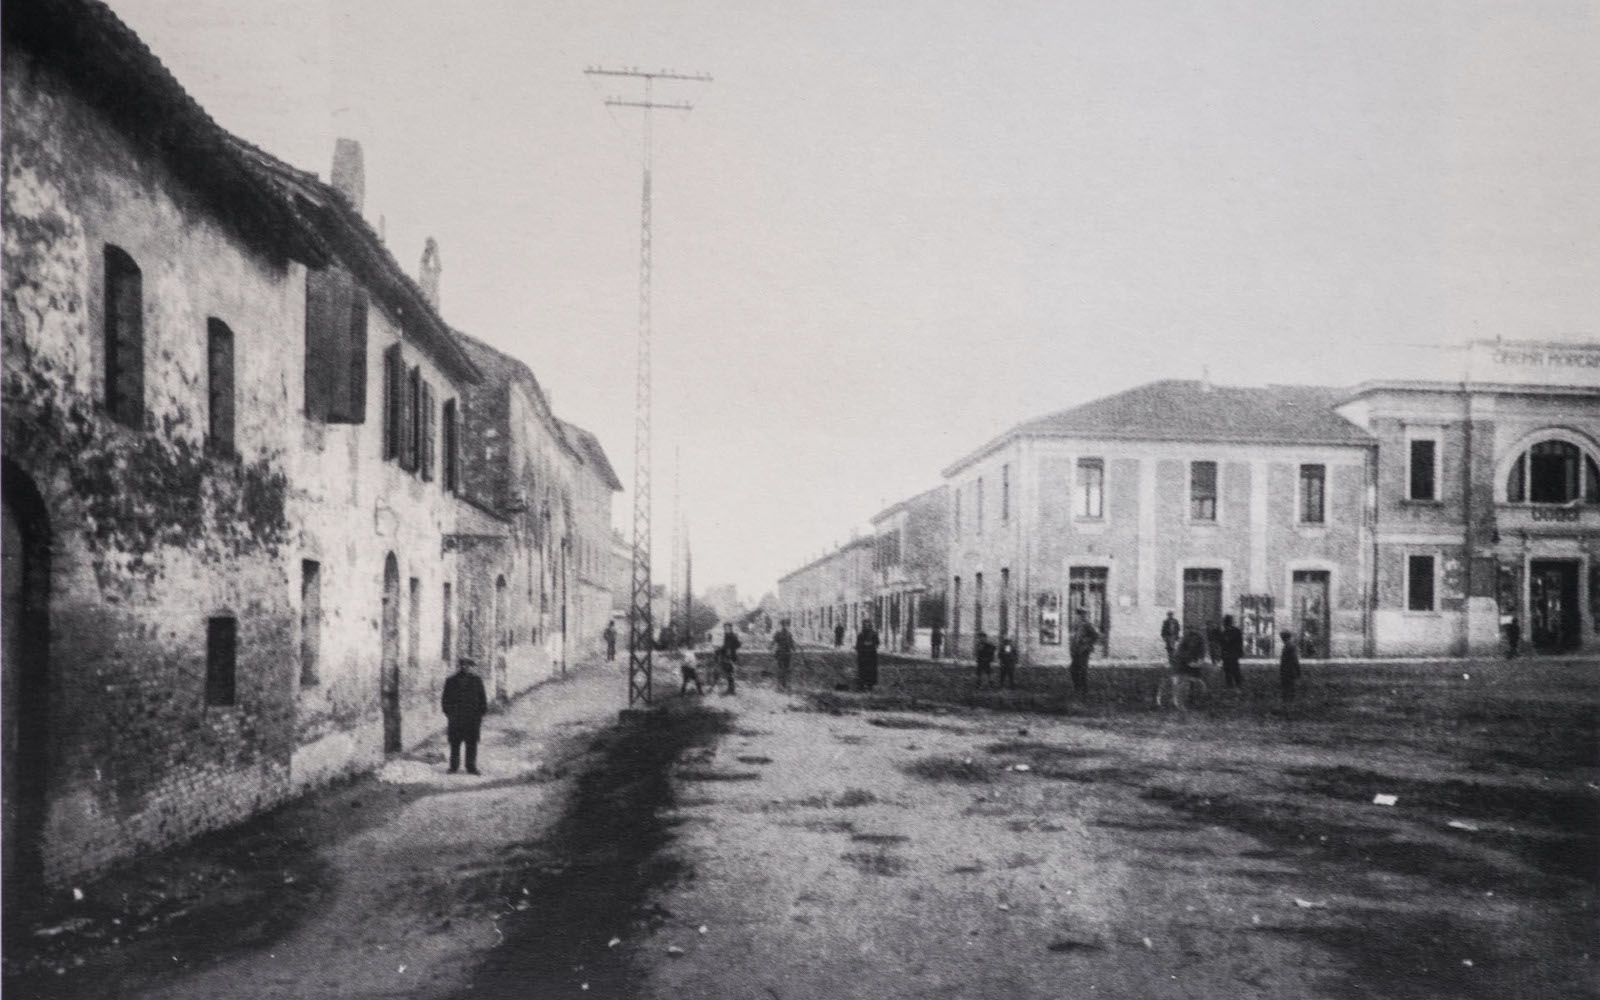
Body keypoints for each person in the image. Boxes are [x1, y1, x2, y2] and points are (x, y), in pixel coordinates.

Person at [442, 656, 488, 775]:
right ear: (460, 666)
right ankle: (453, 767)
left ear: (471, 667)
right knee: (455, 743)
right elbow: (445, 700)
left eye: (468, 665)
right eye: (463, 665)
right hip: (456, 718)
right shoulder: (450, 681)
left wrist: (479, 715)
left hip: (472, 719)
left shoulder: (477, 681)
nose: (465, 667)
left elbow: (483, 700)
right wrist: (450, 714)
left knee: (471, 743)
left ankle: (471, 767)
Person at [1068, 611, 1100, 696]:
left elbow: (1096, 636)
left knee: (1082, 669)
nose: (1079, 616)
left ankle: (1083, 689)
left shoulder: (1087, 625)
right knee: (1073, 669)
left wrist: (1087, 642)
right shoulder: (1076, 625)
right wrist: (1072, 648)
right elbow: (1075, 638)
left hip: (1083, 650)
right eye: (1078, 615)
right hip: (1076, 650)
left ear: (1084, 615)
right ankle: (1077, 687)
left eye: (1081, 615)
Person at [1219, 614, 1244, 689]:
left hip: (1230, 653)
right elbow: (1240, 642)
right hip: (1233, 653)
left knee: (1229, 669)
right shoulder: (1236, 631)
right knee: (1233, 668)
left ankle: (1232, 684)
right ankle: (1236, 683)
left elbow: (1226, 642)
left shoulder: (1227, 632)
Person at [855, 618, 880, 691]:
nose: (867, 626)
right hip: (863, 655)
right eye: (865, 625)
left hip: (871, 655)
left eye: (868, 624)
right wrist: (863, 645)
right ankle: (861, 684)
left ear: (870, 625)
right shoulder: (860, 635)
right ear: (863, 625)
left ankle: (870, 685)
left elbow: (877, 643)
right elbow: (857, 645)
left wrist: (871, 644)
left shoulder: (874, 634)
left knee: (871, 670)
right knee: (862, 670)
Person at [771, 619, 796, 690]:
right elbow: (791, 644)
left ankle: (781, 684)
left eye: (785, 625)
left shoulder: (779, 633)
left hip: (781, 653)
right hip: (786, 653)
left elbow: (773, 642)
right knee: (785, 669)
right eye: (784, 625)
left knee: (781, 669)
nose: (784, 626)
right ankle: (783, 684)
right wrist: (794, 649)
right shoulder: (788, 634)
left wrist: (770, 647)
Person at [1279, 630, 1301, 700]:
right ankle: (1288, 699)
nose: (1282, 639)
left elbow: (1294, 659)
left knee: (1288, 686)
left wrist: (1298, 670)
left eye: (1282, 637)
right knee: (1288, 686)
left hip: (1288, 670)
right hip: (1288, 670)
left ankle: (1289, 700)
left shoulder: (1289, 646)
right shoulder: (1289, 645)